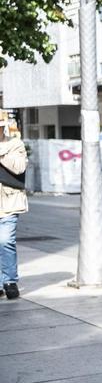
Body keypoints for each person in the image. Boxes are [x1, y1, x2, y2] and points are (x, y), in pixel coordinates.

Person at [0, 114, 28, 300]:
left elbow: (19, 168)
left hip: (9, 202)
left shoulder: (15, 144)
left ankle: (9, 281)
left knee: (5, 241)